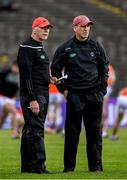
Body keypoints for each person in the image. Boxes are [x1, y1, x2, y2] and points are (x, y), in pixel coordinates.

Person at [51, 15, 109, 172]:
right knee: (72, 133)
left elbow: (104, 68)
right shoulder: (65, 48)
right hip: (74, 95)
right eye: (82, 26)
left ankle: (95, 167)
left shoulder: (97, 46)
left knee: (94, 133)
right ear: (75, 27)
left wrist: (102, 90)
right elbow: (55, 70)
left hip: (94, 95)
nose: (86, 28)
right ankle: (69, 168)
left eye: (88, 26)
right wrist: (63, 90)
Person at [17, 17, 56, 174]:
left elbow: (37, 72)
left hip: (41, 92)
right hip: (35, 95)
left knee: (30, 130)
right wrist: (32, 99)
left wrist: (50, 78)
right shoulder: (27, 47)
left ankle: (27, 166)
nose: (47, 30)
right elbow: (26, 76)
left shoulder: (37, 46)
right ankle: (38, 166)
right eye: (43, 27)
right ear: (34, 29)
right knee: (37, 130)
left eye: (48, 28)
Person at [0, 61, 23, 139]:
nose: (17, 69)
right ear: (12, 66)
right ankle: (14, 133)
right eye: (15, 67)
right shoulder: (5, 73)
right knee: (13, 111)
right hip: (2, 98)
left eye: (18, 67)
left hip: (11, 99)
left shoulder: (21, 75)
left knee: (3, 118)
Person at [102, 64, 116, 138]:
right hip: (100, 88)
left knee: (103, 110)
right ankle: (103, 130)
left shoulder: (108, 67)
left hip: (105, 88)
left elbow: (112, 79)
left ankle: (104, 130)